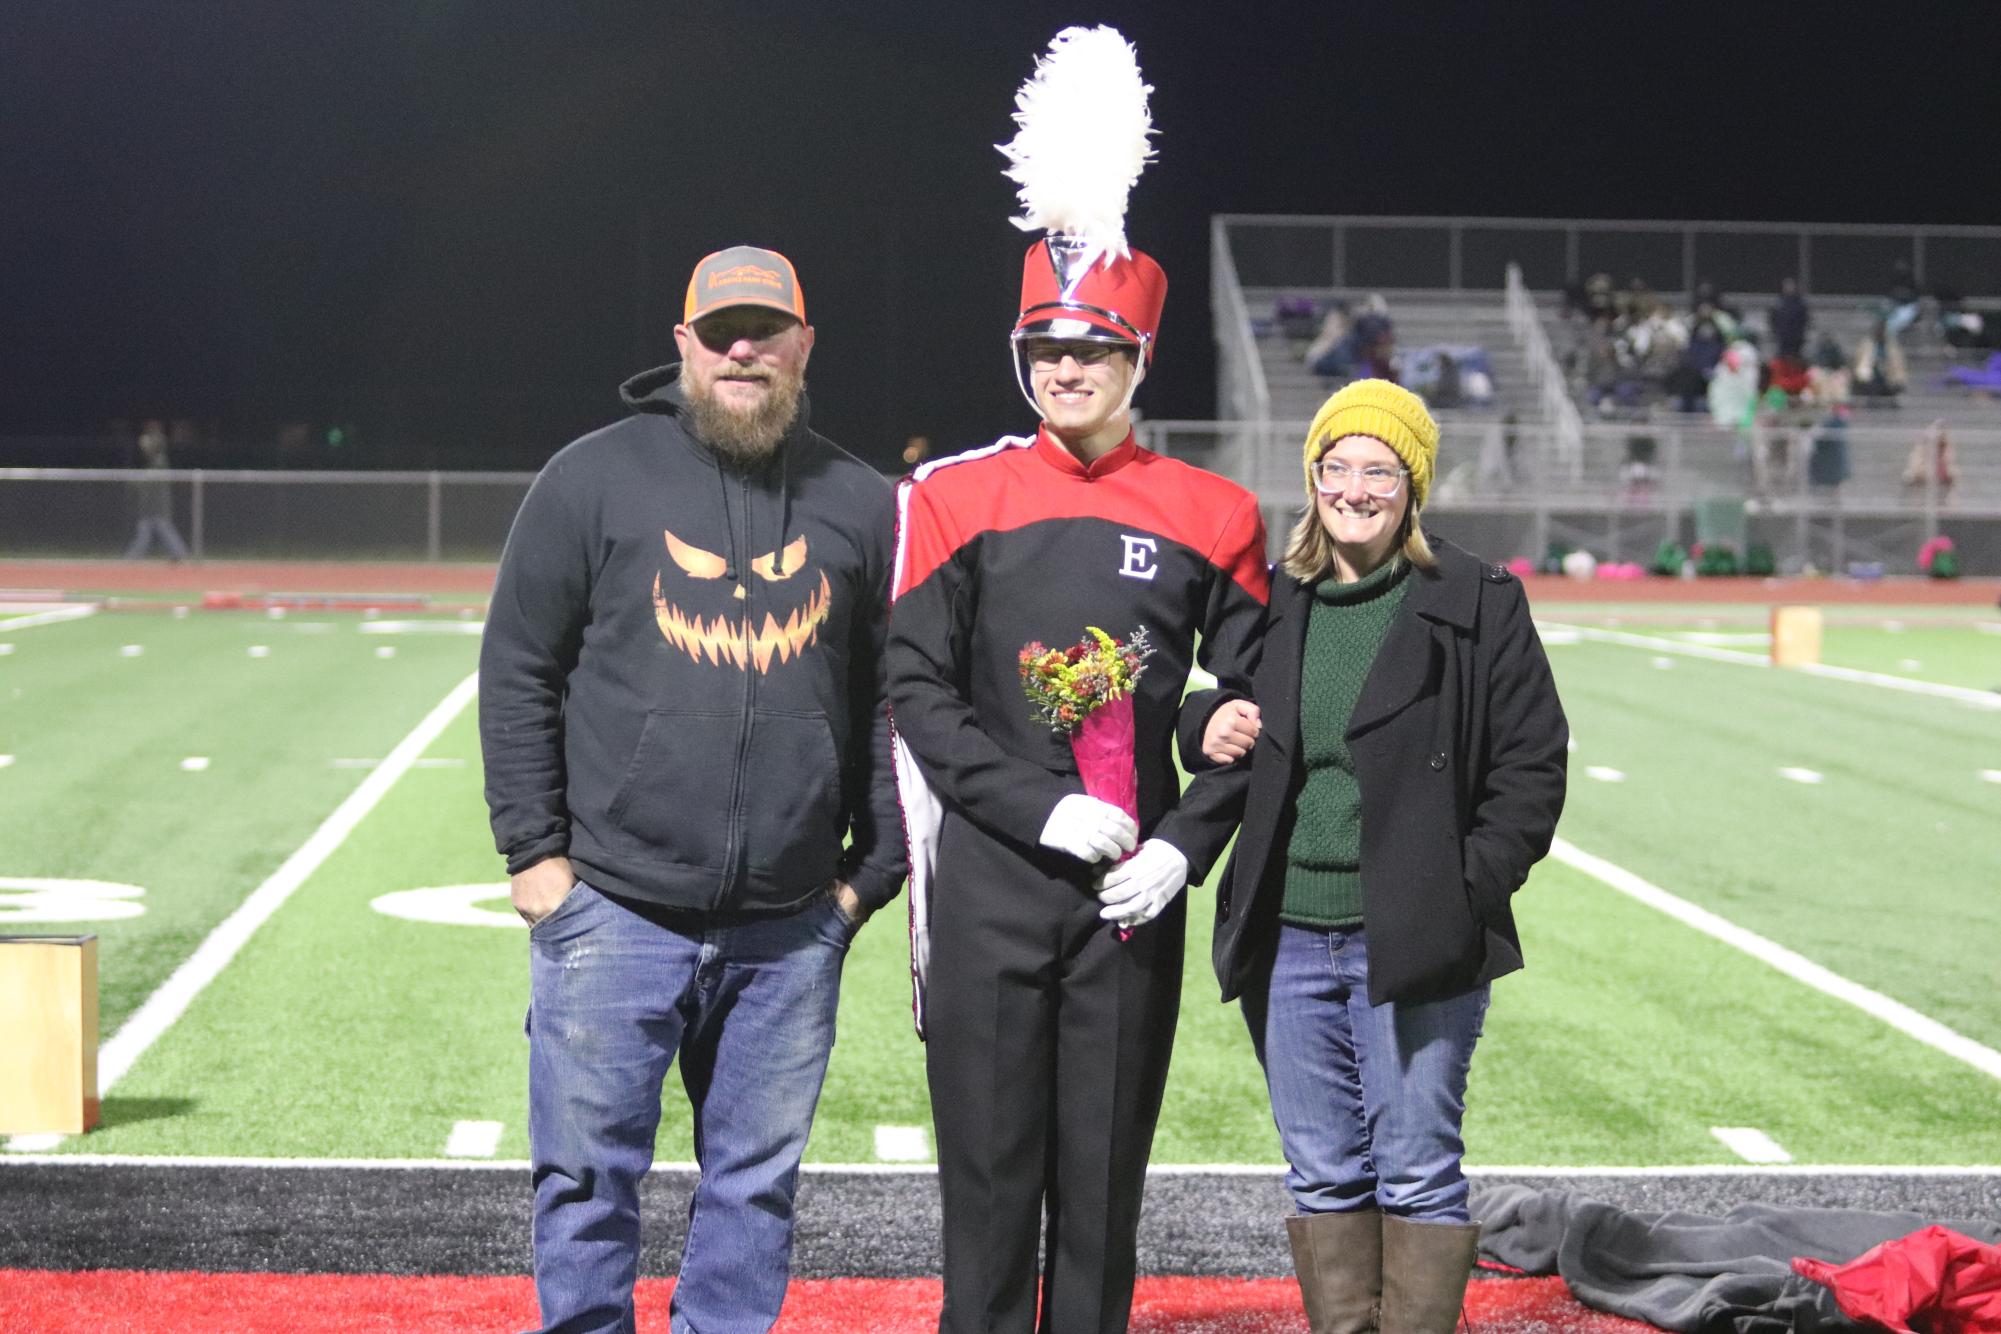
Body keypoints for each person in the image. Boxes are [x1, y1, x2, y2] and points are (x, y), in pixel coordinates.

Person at [479, 245, 905, 1334]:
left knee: (753, 1193)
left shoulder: (862, 502)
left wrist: (870, 878)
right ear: (683, 345)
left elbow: (890, 702)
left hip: (790, 927)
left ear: (806, 345)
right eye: (721, 333)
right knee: (584, 1187)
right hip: (612, 911)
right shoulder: (592, 477)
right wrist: (537, 860)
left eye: (767, 330)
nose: (744, 350)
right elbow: (518, 663)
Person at [887, 230, 1270, 1334]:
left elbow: (1258, 711)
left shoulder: (1216, 512)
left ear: (1140, 356)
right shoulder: (954, 497)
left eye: (1094, 349)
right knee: (991, 1195)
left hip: (1127, 903)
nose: (1065, 368)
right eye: (1044, 346)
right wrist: (1034, 802)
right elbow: (916, 690)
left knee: (1104, 1198)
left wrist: (1183, 845)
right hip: (992, 889)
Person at [1185, 379, 1568, 1334]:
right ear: (1311, 477)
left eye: (1378, 470)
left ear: (1413, 486)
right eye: (1335, 467)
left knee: (1416, 1169)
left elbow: (1532, 769)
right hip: (1285, 937)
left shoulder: (1477, 600)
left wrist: (1457, 890)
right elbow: (1218, 706)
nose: (1353, 488)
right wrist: (1203, 722)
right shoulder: (1278, 597)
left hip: (1413, 936)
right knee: (1320, 1171)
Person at [123, 419, 192, 560]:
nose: (145, 449)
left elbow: (149, 481)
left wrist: (132, 483)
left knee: (157, 528)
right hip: (150, 505)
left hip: (158, 503)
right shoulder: (153, 461)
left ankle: (132, 559)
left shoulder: (159, 461)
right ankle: (179, 554)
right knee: (149, 529)